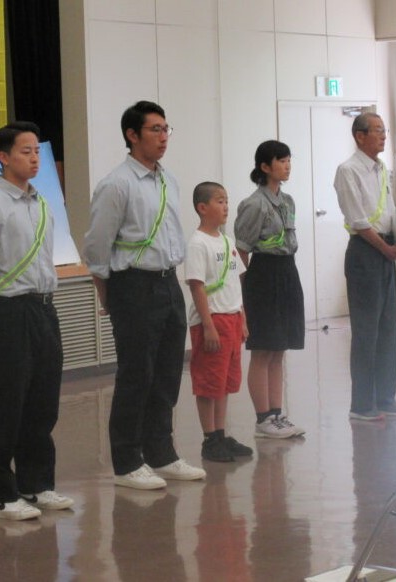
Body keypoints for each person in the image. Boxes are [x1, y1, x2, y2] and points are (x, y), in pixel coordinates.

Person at [83, 100, 206, 490]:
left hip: (168, 282)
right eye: (155, 129)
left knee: (168, 371)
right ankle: (127, 461)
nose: (163, 137)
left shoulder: (168, 180)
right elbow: (96, 248)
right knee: (137, 373)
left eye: (166, 129)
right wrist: (109, 296)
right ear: (132, 135)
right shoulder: (117, 184)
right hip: (132, 285)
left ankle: (161, 453)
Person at [0, 121, 73, 521]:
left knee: (44, 402)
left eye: (37, 151)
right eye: (26, 151)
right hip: (7, 311)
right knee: (8, 403)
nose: (34, 158)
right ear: (4, 157)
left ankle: (36, 484)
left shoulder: (42, 204)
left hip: (44, 308)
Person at [334, 112, 396, 421]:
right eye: (377, 130)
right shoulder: (348, 171)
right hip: (365, 252)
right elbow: (358, 220)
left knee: (388, 327)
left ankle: (385, 397)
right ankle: (362, 405)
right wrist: (384, 248)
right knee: (366, 330)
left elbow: (389, 210)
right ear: (359, 136)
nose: (383, 136)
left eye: (384, 130)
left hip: (385, 249)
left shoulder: (382, 168)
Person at [234, 140, 305, 439]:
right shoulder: (253, 204)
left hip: (287, 270)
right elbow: (241, 248)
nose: (287, 166)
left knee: (279, 349)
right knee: (262, 349)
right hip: (263, 274)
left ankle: (277, 414)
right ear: (265, 166)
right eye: (281, 161)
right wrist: (244, 290)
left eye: (289, 160)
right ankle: (263, 419)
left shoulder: (287, 201)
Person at [185, 182, 253, 462]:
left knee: (224, 380)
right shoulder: (198, 243)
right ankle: (209, 438)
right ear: (202, 208)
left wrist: (242, 318)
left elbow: (235, 283)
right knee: (208, 380)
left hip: (232, 318)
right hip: (212, 320)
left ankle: (221, 434)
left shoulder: (227, 241)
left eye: (226, 201)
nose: (226, 207)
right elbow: (197, 286)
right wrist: (208, 325)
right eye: (219, 201)